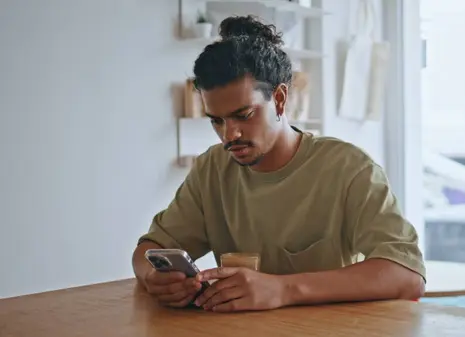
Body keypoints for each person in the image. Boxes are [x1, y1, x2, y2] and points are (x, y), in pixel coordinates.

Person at [132, 15, 426, 312]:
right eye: (217, 121)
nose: (229, 135)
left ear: (281, 99)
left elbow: (407, 275)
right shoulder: (212, 169)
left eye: (243, 115)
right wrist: (154, 277)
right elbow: (149, 249)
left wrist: (283, 289)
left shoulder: (349, 168)